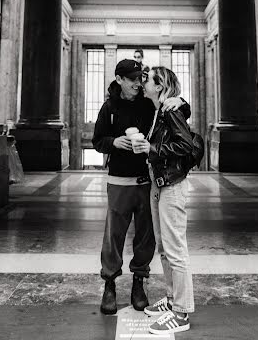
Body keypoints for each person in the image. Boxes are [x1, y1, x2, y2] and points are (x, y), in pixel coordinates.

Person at [92, 59, 190, 316]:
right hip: (118, 181)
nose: (138, 83)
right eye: (133, 79)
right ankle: (110, 284)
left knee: (146, 236)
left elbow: (175, 113)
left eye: (141, 78)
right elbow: (97, 141)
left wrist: (181, 101)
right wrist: (115, 142)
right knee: (114, 235)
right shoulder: (109, 107)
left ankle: (139, 283)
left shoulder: (149, 104)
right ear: (119, 79)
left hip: (147, 181)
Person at [134, 66, 195, 335]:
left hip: (172, 186)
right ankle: (171, 301)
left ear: (159, 87)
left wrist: (153, 149)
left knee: (176, 250)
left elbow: (186, 146)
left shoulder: (171, 111)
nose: (143, 83)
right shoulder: (160, 110)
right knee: (164, 248)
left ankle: (181, 313)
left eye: (148, 80)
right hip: (159, 185)